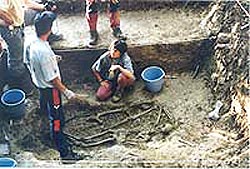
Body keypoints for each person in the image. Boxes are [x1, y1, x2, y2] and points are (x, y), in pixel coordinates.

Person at [24, 11, 82, 163]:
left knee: (44, 104)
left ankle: (44, 116)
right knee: (57, 119)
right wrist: (67, 92)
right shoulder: (44, 53)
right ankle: (64, 152)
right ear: (49, 29)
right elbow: (53, 79)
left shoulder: (31, 42)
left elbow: (27, 61)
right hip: (52, 90)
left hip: (39, 84)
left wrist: (50, 61)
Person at [0, 0, 52, 94]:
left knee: (44, 15)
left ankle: (48, 35)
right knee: (16, 58)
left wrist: (44, 7)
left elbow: (25, 2)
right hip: (10, 29)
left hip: (19, 22)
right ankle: (18, 86)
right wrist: (7, 22)